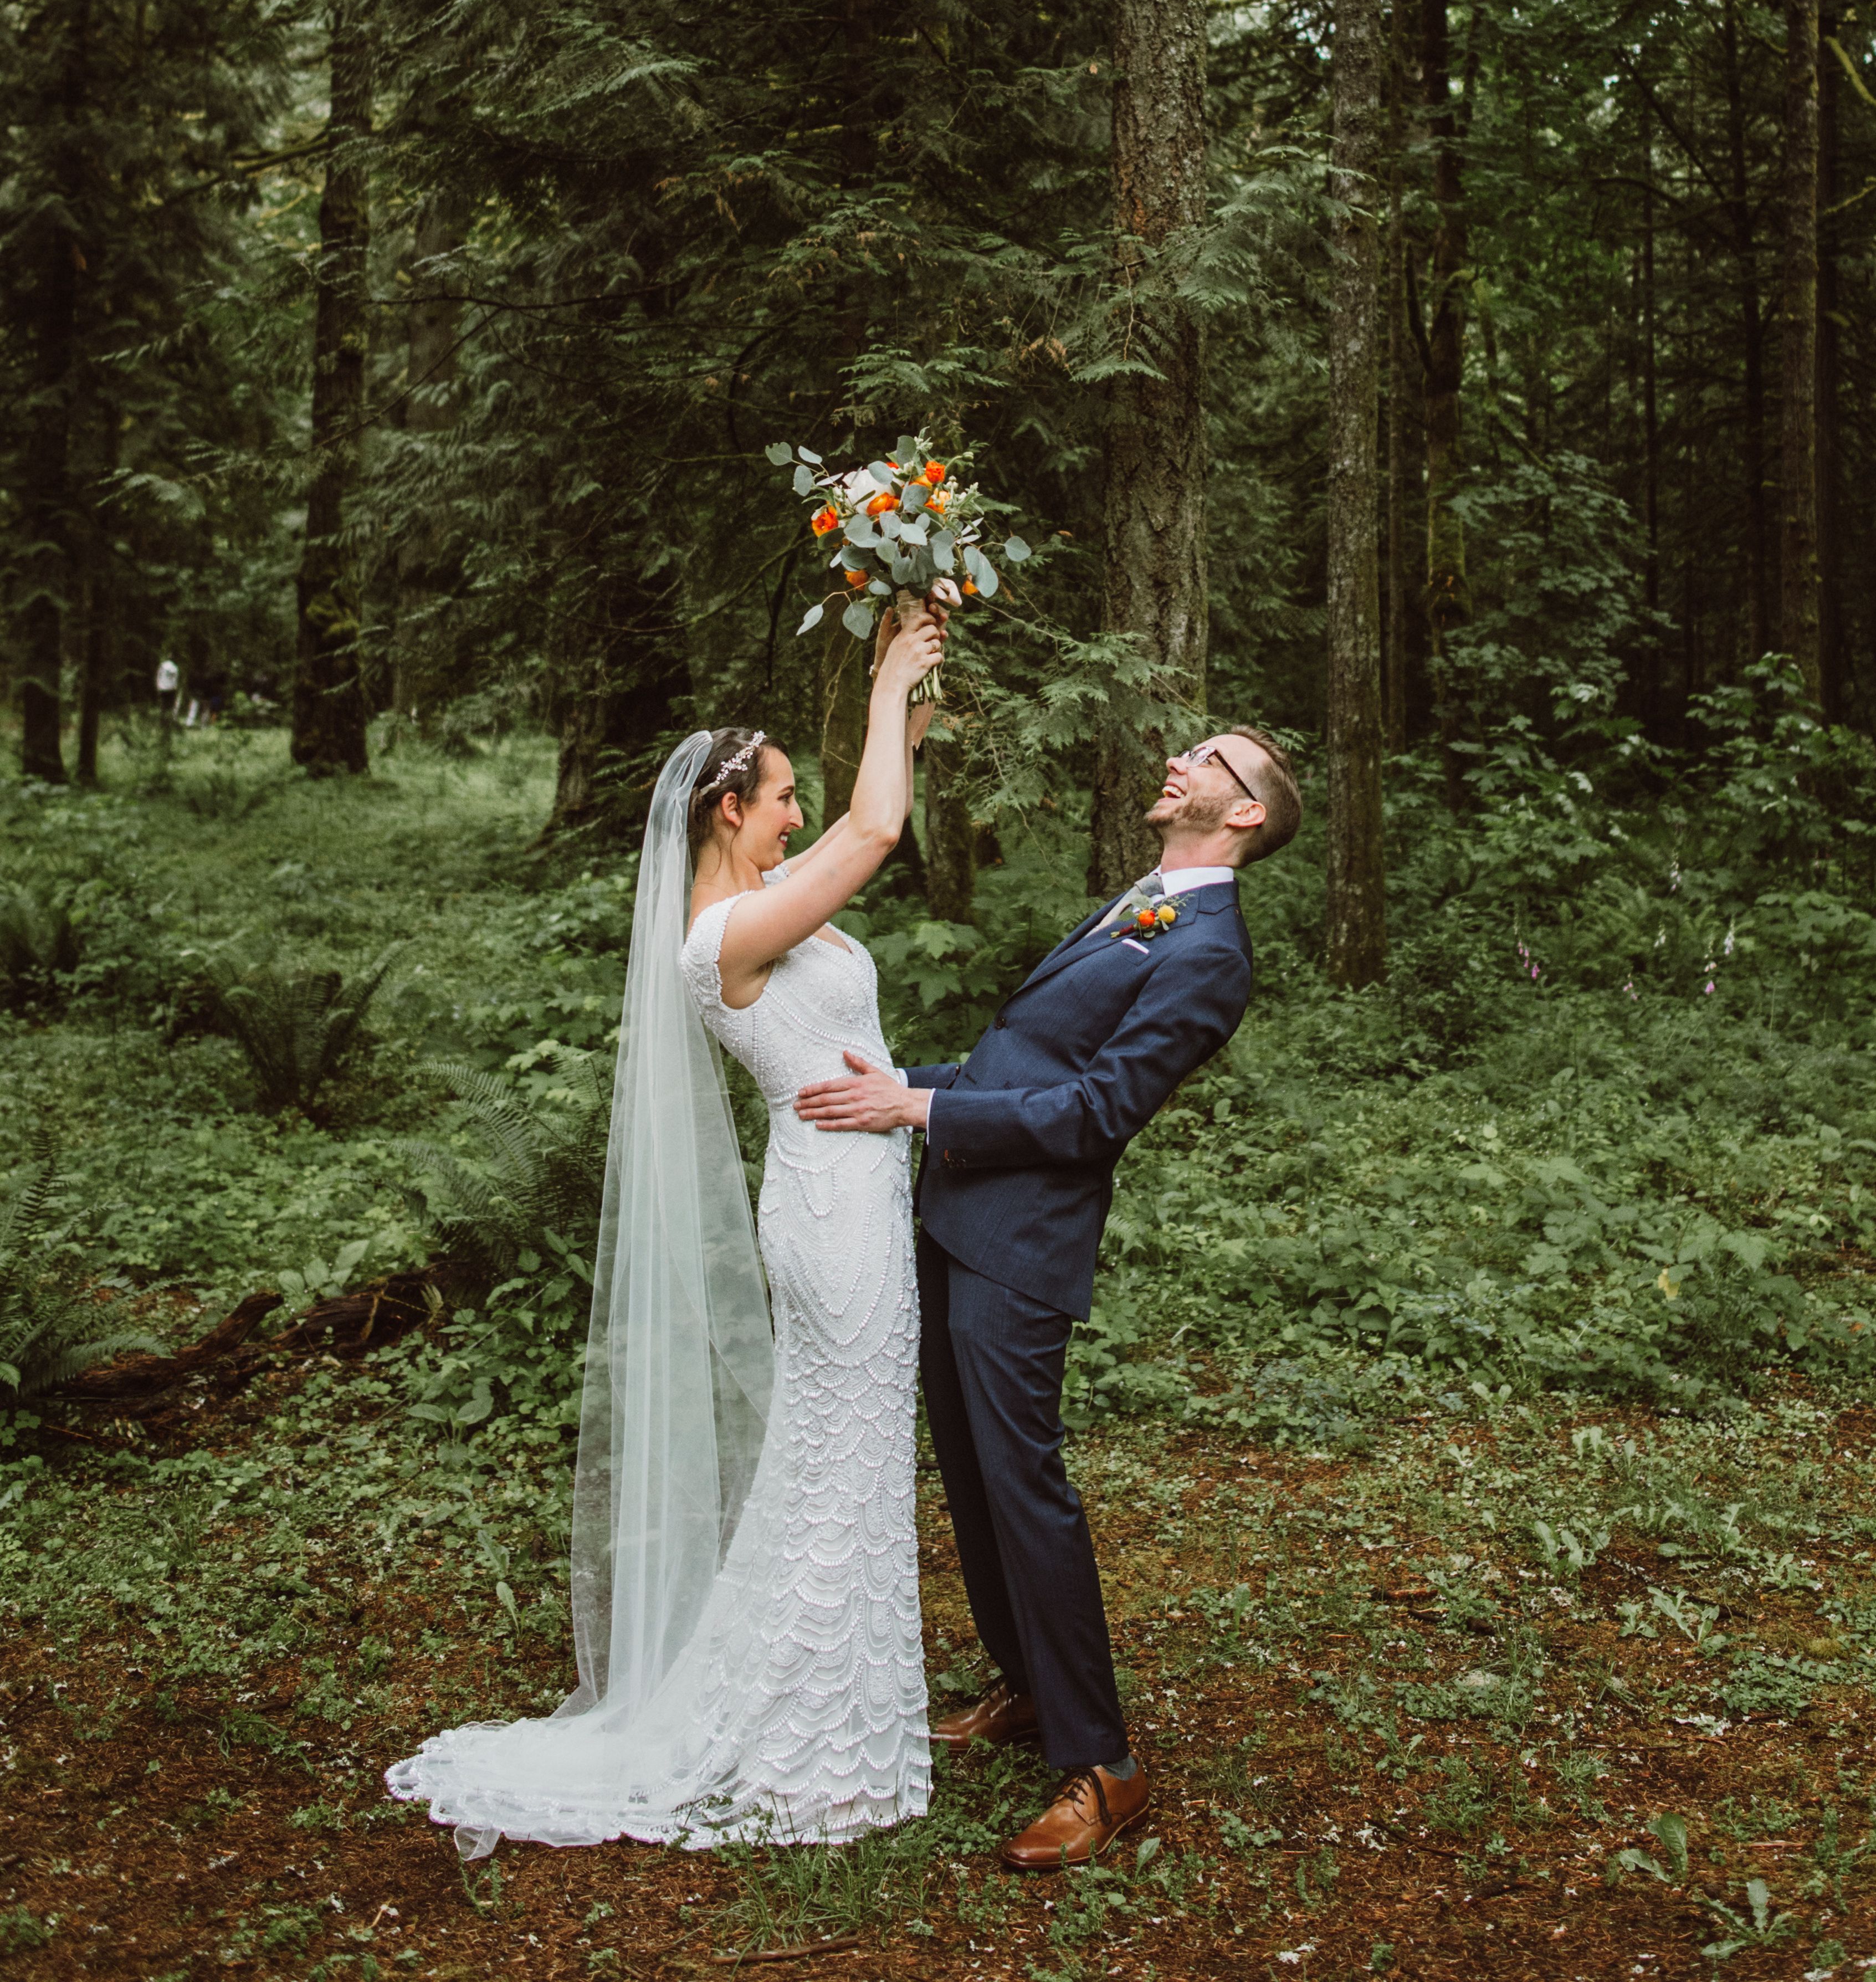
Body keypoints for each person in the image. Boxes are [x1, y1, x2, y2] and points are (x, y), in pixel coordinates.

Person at [386, 601, 945, 1852]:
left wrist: (905, 680)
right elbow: (880, 826)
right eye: (779, 799)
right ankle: (812, 1755)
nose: (797, 815)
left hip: (853, 1194)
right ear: (723, 813)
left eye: (798, 797)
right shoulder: (724, 938)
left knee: (840, 1466)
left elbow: (857, 821)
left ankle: (833, 1721)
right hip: (829, 1213)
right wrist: (884, 684)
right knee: (837, 1474)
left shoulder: (766, 894)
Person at [796, 724, 1300, 1871]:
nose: (1177, 761)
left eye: (1207, 761)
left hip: (1020, 1246)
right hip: (954, 1207)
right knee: (971, 1472)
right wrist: (911, 1084)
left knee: (1023, 1483)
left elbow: (1093, 1114)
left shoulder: (1209, 950)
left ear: (1244, 816)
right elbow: (1025, 1056)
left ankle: (1105, 1766)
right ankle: (1024, 1689)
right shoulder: (1140, 900)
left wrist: (918, 1118)